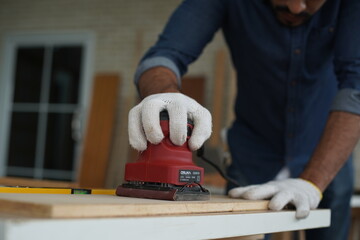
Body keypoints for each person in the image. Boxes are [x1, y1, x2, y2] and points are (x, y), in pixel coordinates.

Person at [128, 1, 360, 239]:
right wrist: (164, 94)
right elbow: (164, 55)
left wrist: (311, 183)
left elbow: (356, 88)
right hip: (253, 152)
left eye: (310, 0)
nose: (297, 8)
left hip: (326, 154)